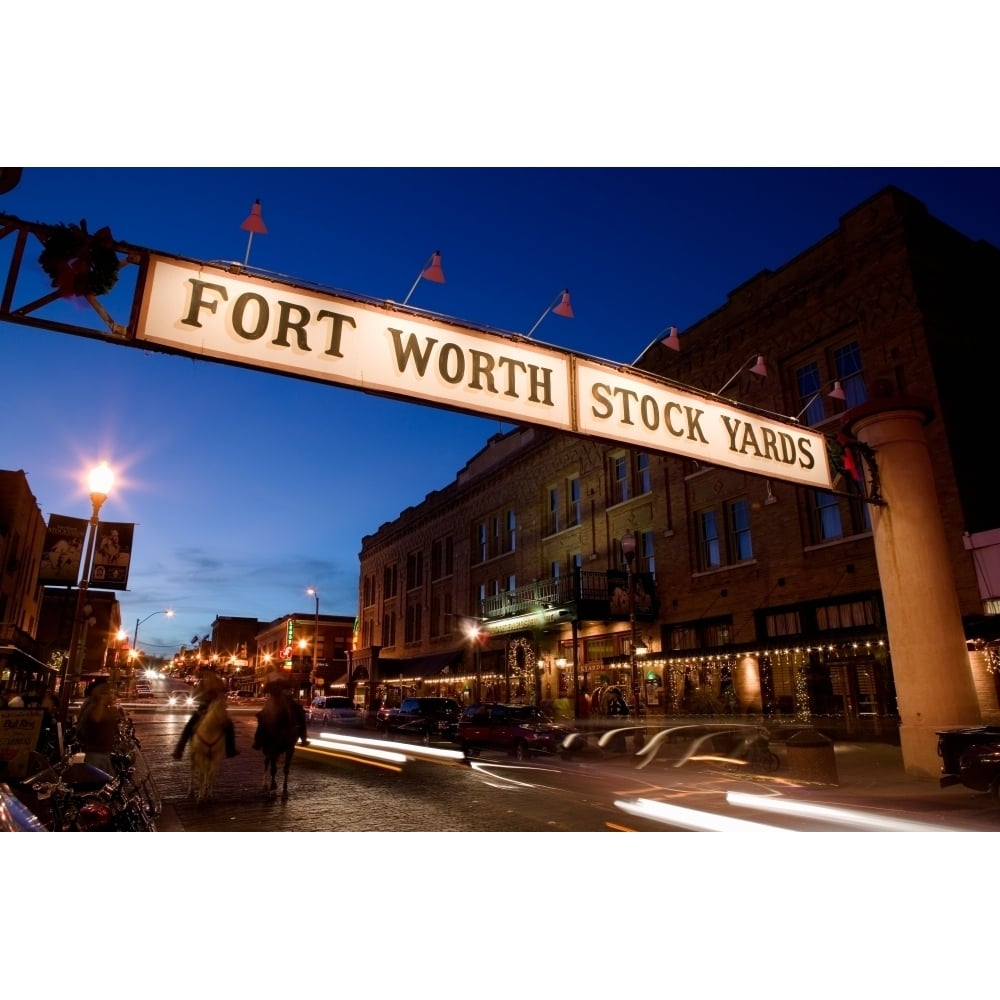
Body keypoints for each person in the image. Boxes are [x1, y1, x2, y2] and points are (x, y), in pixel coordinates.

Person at [172, 671, 237, 760]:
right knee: (190, 725)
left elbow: (223, 693)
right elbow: (196, 694)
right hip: (204, 709)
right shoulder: (204, 683)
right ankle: (179, 749)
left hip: (216, 708)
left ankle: (230, 749)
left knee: (229, 725)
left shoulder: (217, 682)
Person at [251, 676, 309, 750]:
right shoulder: (273, 678)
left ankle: (303, 737)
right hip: (274, 701)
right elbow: (265, 690)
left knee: (300, 713)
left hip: (287, 700)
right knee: (262, 718)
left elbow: (293, 687)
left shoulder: (288, 677)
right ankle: (258, 741)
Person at [74, 680, 119, 774]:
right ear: (101, 695)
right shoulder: (96, 707)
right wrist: (101, 702)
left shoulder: (105, 708)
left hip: (103, 753)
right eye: (109, 693)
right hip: (96, 755)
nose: (112, 696)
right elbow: (96, 719)